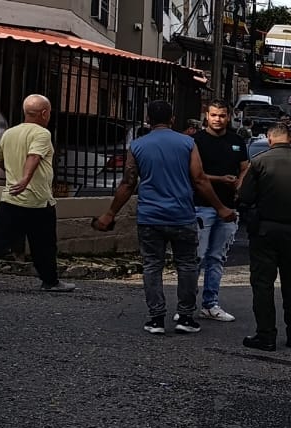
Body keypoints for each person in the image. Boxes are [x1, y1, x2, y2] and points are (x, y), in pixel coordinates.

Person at [92, 101, 236, 336]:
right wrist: (220, 208)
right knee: (188, 265)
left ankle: (156, 318)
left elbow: (128, 183)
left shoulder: (138, 145)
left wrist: (110, 214)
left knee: (152, 266)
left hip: (150, 217)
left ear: (148, 120)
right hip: (182, 216)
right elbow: (199, 179)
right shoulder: (188, 143)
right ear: (172, 119)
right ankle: (186, 317)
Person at [237, 122, 291, 351]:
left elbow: (245, 196)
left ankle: (265, 335)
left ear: (269, 139)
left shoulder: (259, 162)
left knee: (263, 284)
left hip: (264, 231)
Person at [0, 94, 75, 293]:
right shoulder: (42, 133)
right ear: (44, 113)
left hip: (11, 198)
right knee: (44, 244)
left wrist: (14, 175)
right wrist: (25, 179)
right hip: (37, 200)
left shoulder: (9, 133)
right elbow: (34, 156)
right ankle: (50, 281)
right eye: (48, 112)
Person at [191, 100, 249, 323]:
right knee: (197, 257)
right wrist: (221, 179)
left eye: (222, 115)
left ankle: (210, 304)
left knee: (217, 258)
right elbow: (195, 175)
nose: (217, 119)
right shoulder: (196, 141)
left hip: (229, 208)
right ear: (207, 116)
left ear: (229, 116)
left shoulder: (236, 141)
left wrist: (239, 185)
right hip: (201, 207)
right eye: (214, 115)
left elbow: (245, 167)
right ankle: (187, 304)